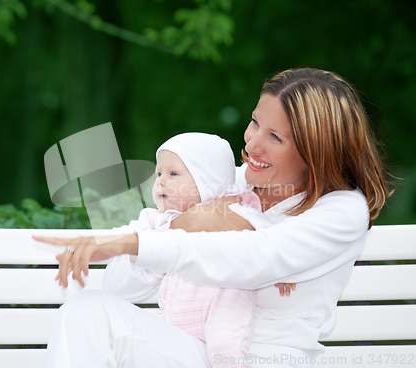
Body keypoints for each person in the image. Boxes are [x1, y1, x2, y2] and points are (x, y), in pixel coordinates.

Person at [33, 68, 391, 368]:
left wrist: (150, 238)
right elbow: (119, 287)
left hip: (268, 359)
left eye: (275, 137)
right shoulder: (224, 183)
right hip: (193, 350)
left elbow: (256, 257)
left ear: (315, 151)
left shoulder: (342, 210)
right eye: (254, 122)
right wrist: (166, 229)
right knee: (88, 311)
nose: (252, 144)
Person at [102, 132, 290, 368]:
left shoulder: (235, 211)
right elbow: (123, 249)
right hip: (173, 319)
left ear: (208, 181)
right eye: (159, 173)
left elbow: (272, 242)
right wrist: (166, 235)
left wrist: (284, 271)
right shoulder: (158, 220)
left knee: (226, 351)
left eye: (173, 174)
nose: (160, 181)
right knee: (118, 334)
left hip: (223, 306)